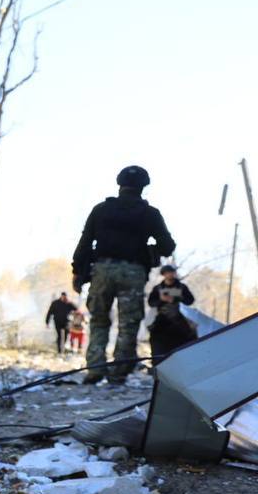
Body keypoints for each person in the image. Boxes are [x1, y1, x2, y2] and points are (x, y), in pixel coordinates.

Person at [71, 165, 175, 385]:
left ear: (119, 184)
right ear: (143, 187)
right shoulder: (150, 214)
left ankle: (95, 369)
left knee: (98, 320)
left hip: (102, 270)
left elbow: (84, 243)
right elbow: (168, 246)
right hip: (133, 272)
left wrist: (77, 272)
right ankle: (118, 372)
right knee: (128, 324)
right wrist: (151, 252)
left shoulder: (101, 210)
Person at [146, 264, 197, 359]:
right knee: (156, 339)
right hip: (162, 319)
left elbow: (190, 300)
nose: (170, 275)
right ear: (163, 274)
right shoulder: (157, 288)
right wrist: (162, 300)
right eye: (167, 273)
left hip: (179, 318)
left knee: (189, 336)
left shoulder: (182, 287)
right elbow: (151, 302)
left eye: (171, 272)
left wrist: (176, 299)